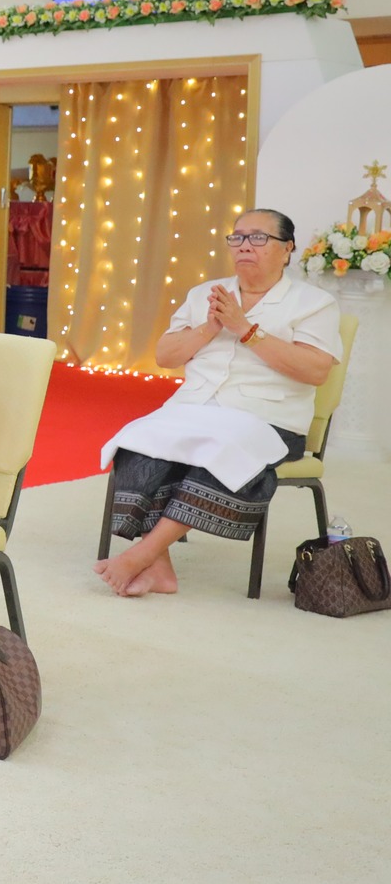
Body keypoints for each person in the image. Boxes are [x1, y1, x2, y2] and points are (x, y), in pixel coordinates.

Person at [96, 209, 340, 596]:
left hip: (266, 418)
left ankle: (144, 553)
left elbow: (315, 371)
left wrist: (246, 329)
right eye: (238, 237)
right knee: (136, 439)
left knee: (225, 451)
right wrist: (211, 328)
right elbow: (166, 355)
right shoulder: (206, 294)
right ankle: (160, 569)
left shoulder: (313, 303)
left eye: (258, 238)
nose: (245, 245)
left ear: (287, 249)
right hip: (193, 407)